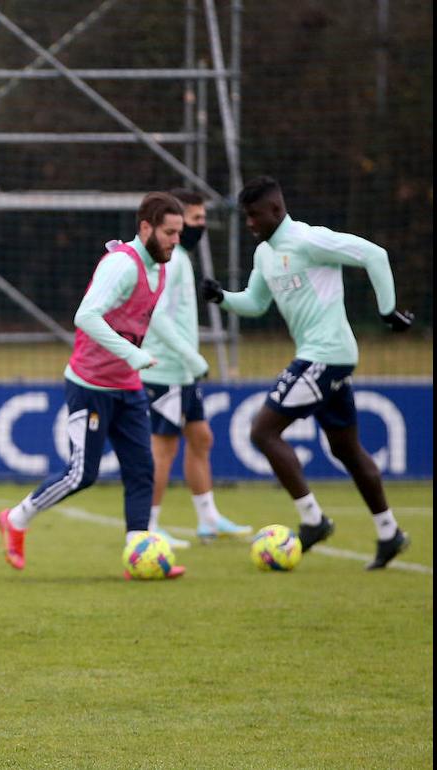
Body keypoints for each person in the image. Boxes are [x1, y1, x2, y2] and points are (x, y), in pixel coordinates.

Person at [202, 176, 414, 569]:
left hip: (326, 354)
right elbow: (255, 302)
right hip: (320, 355)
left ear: (276, 211)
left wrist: (388, 311)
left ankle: (313, 521)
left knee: (262, 432)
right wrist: (222, 298)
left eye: (253, 215)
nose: (248, 223)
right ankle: (390, 533)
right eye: (245, 216)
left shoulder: (309, 239)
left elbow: (375, 255)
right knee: (345, 448)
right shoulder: (266, 254)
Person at [0, 193, 187, 579]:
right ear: (146, 227)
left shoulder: (160, 267)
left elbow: (147, 318)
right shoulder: (121, 265)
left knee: (141, 469)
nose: (175, 240)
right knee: (82, 474)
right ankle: (16, 518)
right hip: (91, 384)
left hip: (127, 386)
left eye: (179, 233)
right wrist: (132, 355)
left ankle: (140, 554)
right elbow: (86, 316)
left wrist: (184, 354)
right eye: (169, 232)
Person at [140, 188, 251, 548]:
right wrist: (189, 356)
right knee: (164, 450)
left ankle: (208, 519)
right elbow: (154, 314)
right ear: (176, 221)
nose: (202, 225)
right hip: (166, 369)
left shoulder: (182, 258)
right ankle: (149, 525)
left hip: (183, 372)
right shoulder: (168, 261)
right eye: (197, 219)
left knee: (202, 438)